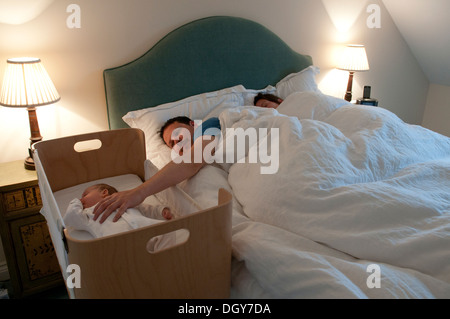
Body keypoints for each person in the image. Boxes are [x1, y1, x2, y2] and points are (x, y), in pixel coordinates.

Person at [93, 116, 220, 224]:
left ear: (193, 124)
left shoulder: (208, 126)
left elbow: (192, 162)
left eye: (177, 133)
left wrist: (138, 193)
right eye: (172, 143)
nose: (176, 141)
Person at [65, 183, 173, 238]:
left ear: (104, 193)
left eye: (85, 195)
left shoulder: (124, 201)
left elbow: (145, 209)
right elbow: (70, 217)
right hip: (120, 242)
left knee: (170, 233)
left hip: (147, 228)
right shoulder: (88, 214)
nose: (81, 199)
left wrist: (161, 211)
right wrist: (76, 202)